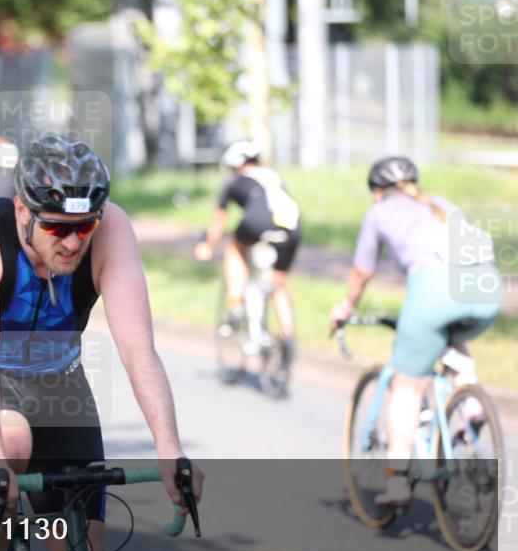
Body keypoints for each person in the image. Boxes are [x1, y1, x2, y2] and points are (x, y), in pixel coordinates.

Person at [0, 135, 204, 551]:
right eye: (56, 228)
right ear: (21, 211)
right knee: (9, 449)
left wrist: (170, 450)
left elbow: (139, 350)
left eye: (84, 226)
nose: (73, 242)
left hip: (57, 382)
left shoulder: (112, 229)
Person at [329, 156, 501, 506]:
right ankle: (468, 400)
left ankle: (397, 484)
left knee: (405, 388)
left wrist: (346, 307)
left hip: (434, 292)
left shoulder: (379, 212)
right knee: (450, 336)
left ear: (378, 192)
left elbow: (363, 271)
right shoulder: (442, 205)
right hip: (487, 289)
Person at [194, 140, 301, 368]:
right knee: (278, 284)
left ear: (234, 166)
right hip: (292, 229)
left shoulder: (234, 181)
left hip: (257, 224)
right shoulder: (274, 177)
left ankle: (235, 306)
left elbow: (219, 222)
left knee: (234, 248)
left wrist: (208, 247)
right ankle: (288, 337)